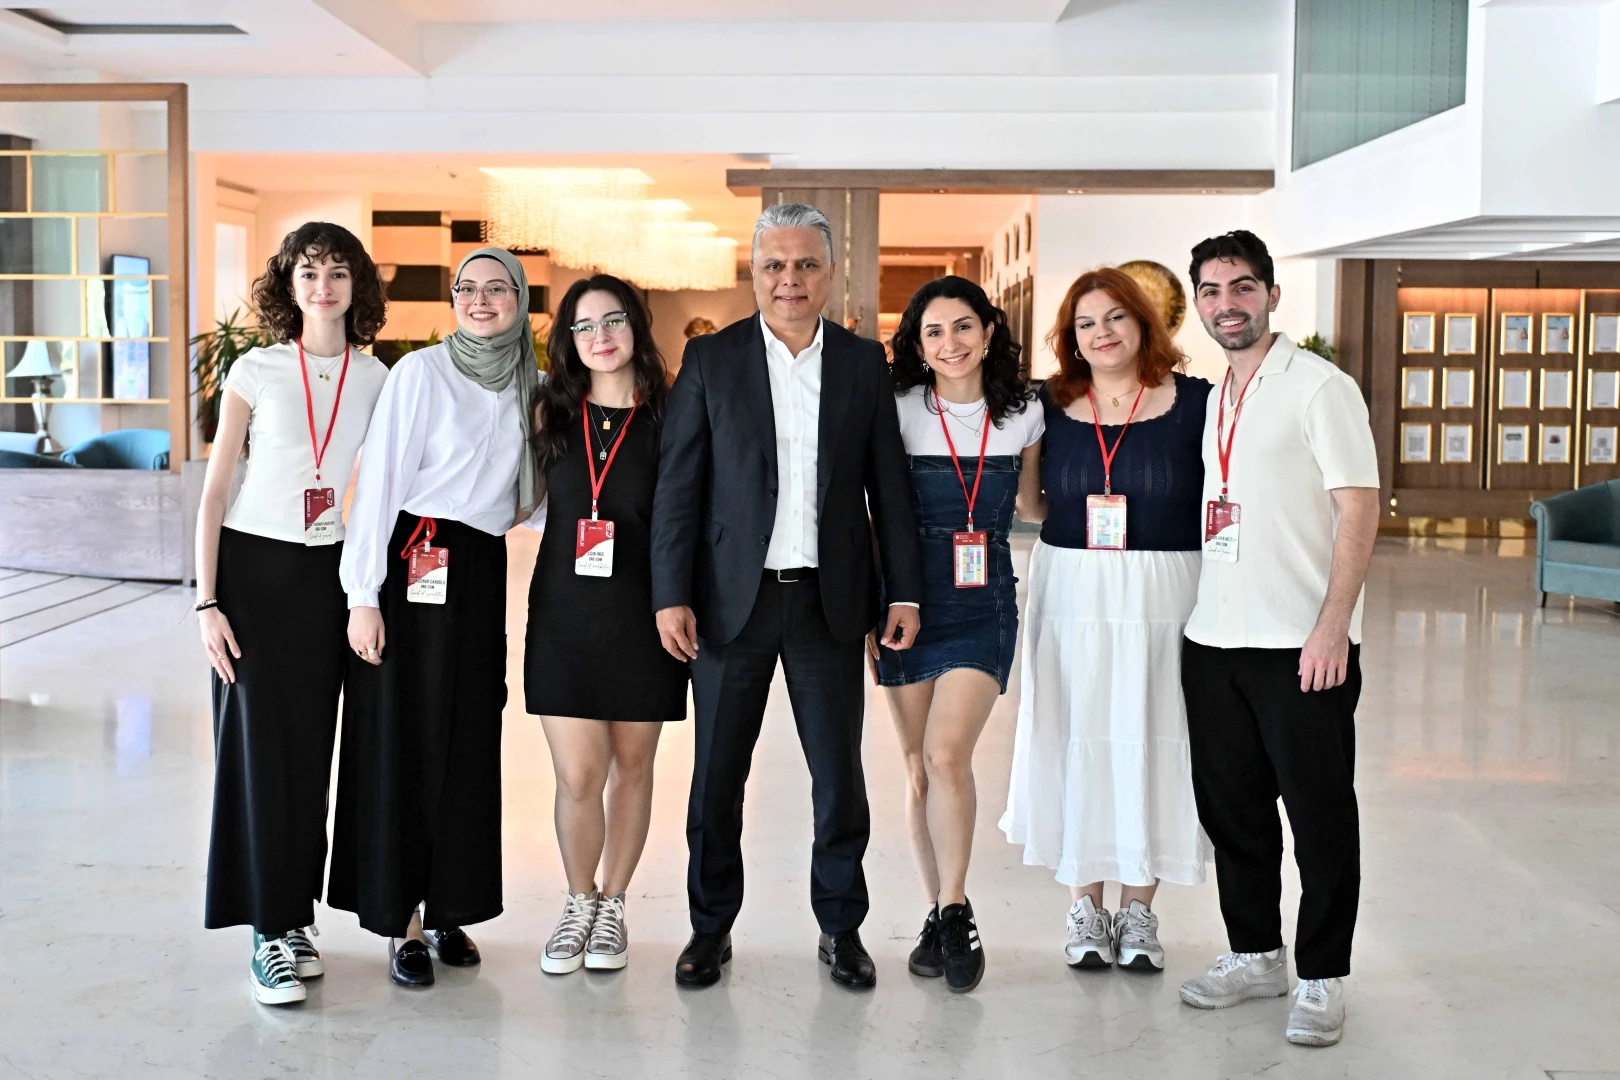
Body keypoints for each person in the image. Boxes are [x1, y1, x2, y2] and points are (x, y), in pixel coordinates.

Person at [651, 203, 923, 991]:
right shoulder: (712, 359)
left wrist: (903, 592)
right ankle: (710, 929)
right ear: (754, 273)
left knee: (838, 779)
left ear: (830, 272)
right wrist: (670, 593)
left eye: (805, 264)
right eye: (774, 265)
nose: (790, 280)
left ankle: (841, 928)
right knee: (717, 778)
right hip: (729, 604)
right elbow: (678, 488)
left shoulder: (863, 363)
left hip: (828, 605)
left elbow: (889, 489)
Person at [1174, 231, 1378, 1049]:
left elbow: (1358, 506)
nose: (1227, 303)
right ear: (1198, 302)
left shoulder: (1321, 388)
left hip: (1300, 645)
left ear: (1271, 295)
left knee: (1319, 816)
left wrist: (1333, 626)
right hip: (1214, 639)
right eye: (1212, 290)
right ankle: (1257, 953)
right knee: (1234, 812)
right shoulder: (1217, 393)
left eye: (1242, 287)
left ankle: (1323, 974)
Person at [331, 246, 543, 988]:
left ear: (520, 299)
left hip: (480, 567)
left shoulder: (533, 383)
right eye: (467, 288)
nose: (481, 300)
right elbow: (380, 483)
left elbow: (538, 500)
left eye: (497, 288)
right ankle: (404, 920)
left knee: (470, 733)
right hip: (411, 558)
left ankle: (452, 905)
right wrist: (362, 595)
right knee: (406, 738)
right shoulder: (422, 373)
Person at [195, 221, 389, 1005]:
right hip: (253, 572)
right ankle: (266, 932)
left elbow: (386, 484)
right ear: (289, 285)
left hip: (330, 574)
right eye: (308, 272)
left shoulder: (376, 377)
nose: (323, 286)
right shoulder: (257, 369)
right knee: (259, 755)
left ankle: (294, 917)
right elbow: (215, 491)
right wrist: (206, 601)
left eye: (338, 272)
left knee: (312, 754)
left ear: (357, 285)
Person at [999, 267, 1212, 975]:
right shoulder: (1047, 404)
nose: (1102, 333)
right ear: (1070, 338)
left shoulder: (1196, 402)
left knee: (1156, 732)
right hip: (1073, 590)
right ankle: (1085, 906)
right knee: (1077, 731)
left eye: (1116, 317)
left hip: (1166, 593)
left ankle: (1140, 908)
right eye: (1086, 323)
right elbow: (1032, 505)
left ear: (1144, 322)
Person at [877, 276, 1041, 994]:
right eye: (934, 332)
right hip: (905, 603)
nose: (951, 343)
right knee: (918, 766)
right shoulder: (898, 409)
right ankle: (937, 912)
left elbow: (1036, 503)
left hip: (984, 603)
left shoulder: (1026, 412)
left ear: (989, 330)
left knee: (947, 755)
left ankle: (953, 908)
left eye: (964, 326)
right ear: (918, 344)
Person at [525, 274, 688, 975]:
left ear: (637, 327)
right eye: (585, 325)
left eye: (613, 321)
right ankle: (577, 900)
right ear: (568, 338)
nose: (600, 336)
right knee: (578, 772)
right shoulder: (550, 410)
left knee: (633, 765)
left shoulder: (672, 412)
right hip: (563, 613)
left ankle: (613, 904)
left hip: (646, 613)